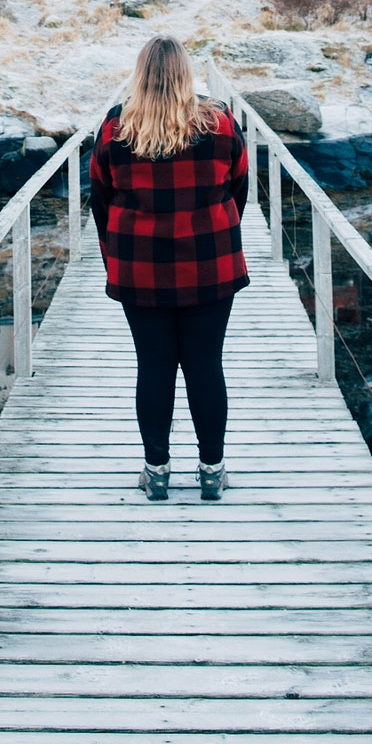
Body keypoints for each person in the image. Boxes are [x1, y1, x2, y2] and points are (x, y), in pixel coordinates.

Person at [89, 36, 249, 501]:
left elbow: (100, 197)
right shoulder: (220, 124)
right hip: (210, 267)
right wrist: (215, 228)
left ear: (141, 74)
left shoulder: (116, 129)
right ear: (186, 74)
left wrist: (114, 253)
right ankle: (212, 472)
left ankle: (156, 471)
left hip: (139, 269)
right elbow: (239, 190)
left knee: (154, 366)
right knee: (205, 365)